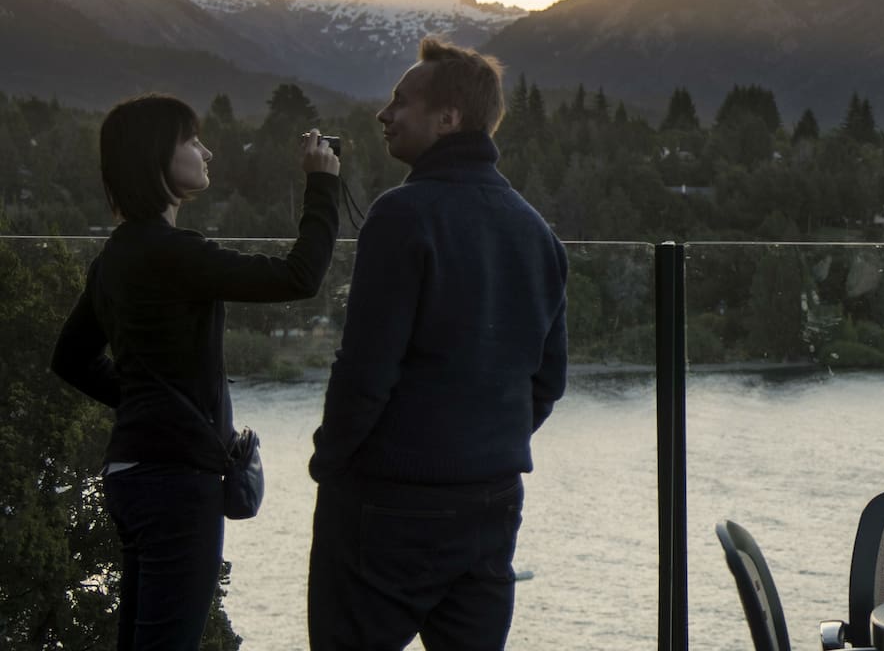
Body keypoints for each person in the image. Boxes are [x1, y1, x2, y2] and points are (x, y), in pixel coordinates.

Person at [51, 94, 341, 651]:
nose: (206, 152)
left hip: (130, 473)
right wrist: (323, 184)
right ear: (155, 156)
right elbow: (299, 277)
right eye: (191, 140)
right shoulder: (175, 253)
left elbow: (69, 358)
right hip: (177, 483)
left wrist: (148, 405)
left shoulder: (114, 257)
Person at [307, 37, 568, 651]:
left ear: (448, 118)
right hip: (493, 502)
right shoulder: (536, 232)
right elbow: (547, 382)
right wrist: (480, 448)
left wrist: (331, 461)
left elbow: (365, 371)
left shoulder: (403, 215)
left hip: (388, 505)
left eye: (400, 101)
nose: (384, 114)